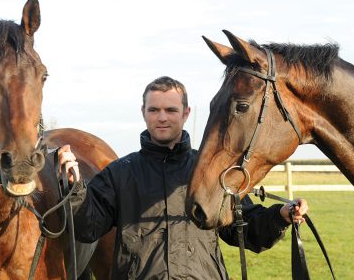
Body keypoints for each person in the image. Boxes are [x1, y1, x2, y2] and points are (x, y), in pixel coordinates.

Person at [58, 76, 308, 279]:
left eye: (170, 110)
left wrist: (280, 216)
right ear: (143, 112)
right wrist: (74, 189)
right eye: (154, 109)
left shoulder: (210, 172)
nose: (162, 117)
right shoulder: (120, 173)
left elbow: (243, 229)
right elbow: (88, 228)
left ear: (185, 113)